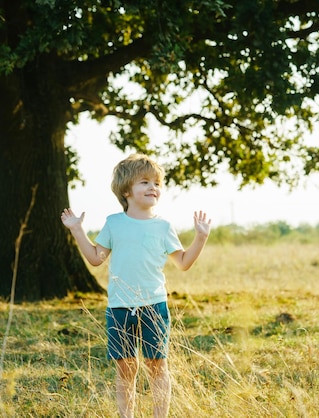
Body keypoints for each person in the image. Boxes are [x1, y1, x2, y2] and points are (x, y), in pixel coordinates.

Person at [60, 153, 211, 418]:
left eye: (156, 183)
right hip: (120, 307)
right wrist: (76, 230)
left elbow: (184, 262)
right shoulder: (114, 223)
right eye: (145, 182)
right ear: (127, 190)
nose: (153, 187)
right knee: (126, 368)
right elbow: (96, 258)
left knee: (157, 366)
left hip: (154, 306)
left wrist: (200, 237)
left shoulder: (163, 226)